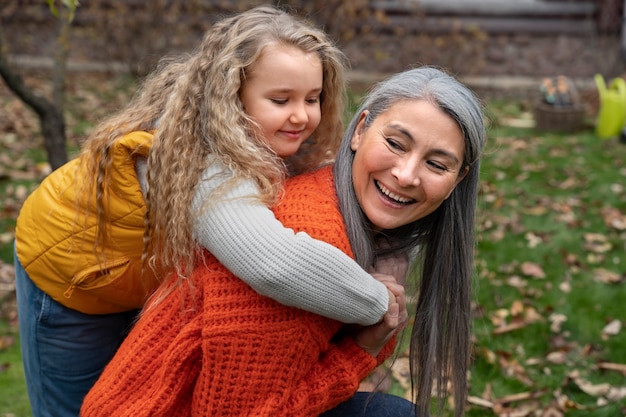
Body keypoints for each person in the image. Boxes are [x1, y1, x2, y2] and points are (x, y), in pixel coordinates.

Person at [13, 6, 401, 417]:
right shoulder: (202, 163)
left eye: (312, 98)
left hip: (136, 271)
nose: (301, 115)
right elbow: (274, 263)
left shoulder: (261, 133)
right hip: (70, 277)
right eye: (280, 99)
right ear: (230, 95)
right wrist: (378, 303)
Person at [81, 66, 487, 417]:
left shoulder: (364, 224)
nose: (407, 175)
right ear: (360, 130)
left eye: (436, 164)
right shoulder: (314, 249)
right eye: (396, 144)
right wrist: (358, 353)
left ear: (459, 178)